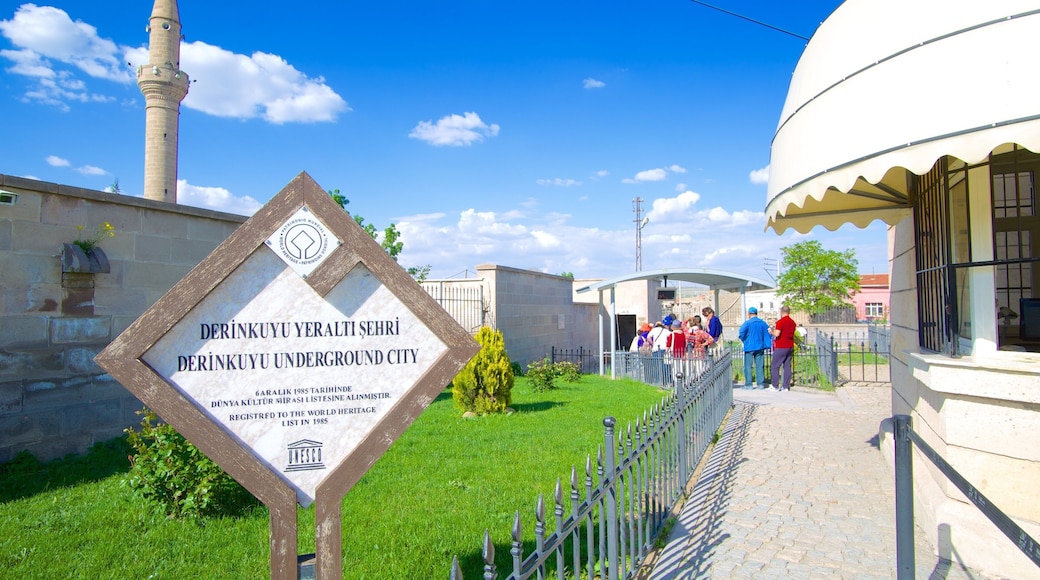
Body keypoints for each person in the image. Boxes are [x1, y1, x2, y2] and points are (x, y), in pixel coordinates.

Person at [738, 307, 771, 389]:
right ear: (756, 314)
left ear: (749, 314)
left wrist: (744, 340)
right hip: (760, 346)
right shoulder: (762, 323)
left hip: (749, 347)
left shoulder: (747, 323)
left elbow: (741, 333)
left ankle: (749, 384)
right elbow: (768, 332)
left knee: (748, 366)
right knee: (760, 366)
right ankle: (760, 384)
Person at [770, 305, 797, 391]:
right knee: (787, 366)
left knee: (775, 365)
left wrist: (771, 331)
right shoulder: (792, 322)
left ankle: (775, 385)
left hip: (781, 346)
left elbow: (777, 334)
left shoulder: (780, 322)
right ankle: (786, 386)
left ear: (782, 312)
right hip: (790, 346)